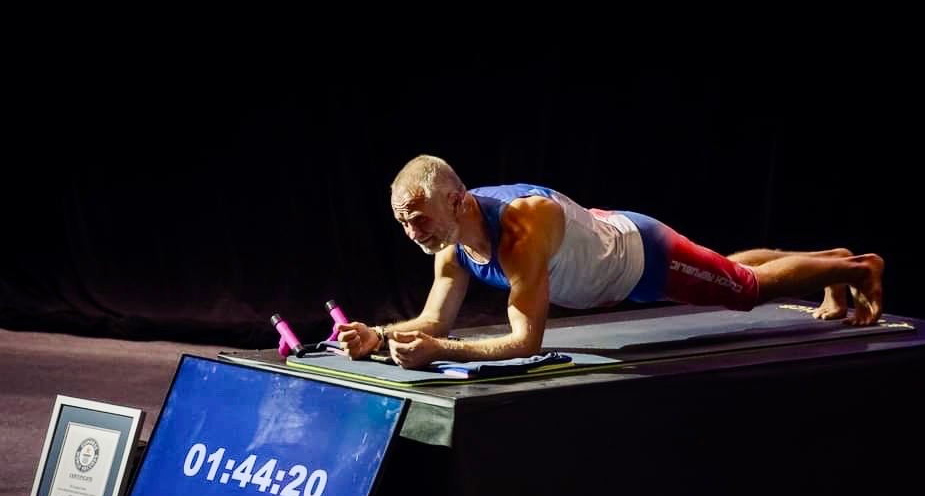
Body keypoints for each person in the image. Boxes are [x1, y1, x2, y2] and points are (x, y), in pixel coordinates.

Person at [337, 154, 884, 369]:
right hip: (608, 253)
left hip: (641, 258)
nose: (413, 233)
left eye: (419, 219)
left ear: (457, 201)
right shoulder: (451, 243)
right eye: (403, 223)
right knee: (725, 269)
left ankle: (859, 269)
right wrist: (378, 335)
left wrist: (440, 351)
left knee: (743, 289)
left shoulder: (520, 233)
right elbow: (434, 321)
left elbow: (526, 343)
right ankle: (832, 265)